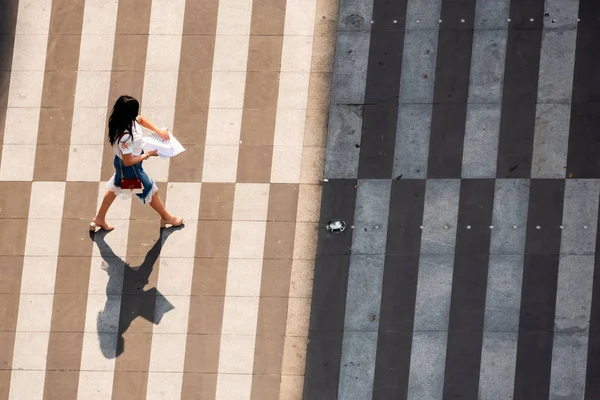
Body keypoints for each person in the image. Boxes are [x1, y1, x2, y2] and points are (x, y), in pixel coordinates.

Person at [90, 95, 184, 232]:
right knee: (150, 191)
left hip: (123, 166)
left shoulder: (122, 120)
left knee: (116, 186)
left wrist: (158, 131)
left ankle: (99, 219)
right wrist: (148, 154)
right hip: (131, 170)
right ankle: (167, 218)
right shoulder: (126, 137)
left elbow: (140, 119)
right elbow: (128, 161)